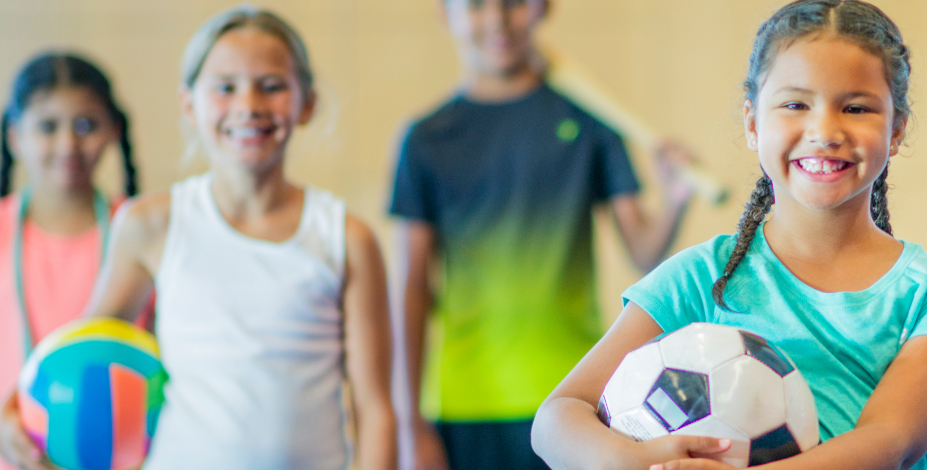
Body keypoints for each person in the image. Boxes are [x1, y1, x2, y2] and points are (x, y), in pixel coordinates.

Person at [527, 1, 927, 469]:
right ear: (752, 123)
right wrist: (633, 460)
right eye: (795, 104)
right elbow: (557, 417)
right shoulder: (701, 276)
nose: (825, 131)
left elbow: (889, 442)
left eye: (855, 107)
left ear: (896, 130)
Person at [1, 5, 398, 470]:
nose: (249, 105)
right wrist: (14, 411)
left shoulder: (346, 238)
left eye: (271, 86)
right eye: (225, 87)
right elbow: (82, 349)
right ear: (190, 104)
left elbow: (374, 409)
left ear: (306, 102)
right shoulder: (152, 224)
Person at [388, 0, 696, 467]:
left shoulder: (591, 120)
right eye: (474, 6)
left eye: (513, 3)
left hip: (576, 399)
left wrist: (674, 199)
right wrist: (410, 425)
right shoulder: (427, 138)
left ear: (542, 8)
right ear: (444, 14)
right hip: (468, 401)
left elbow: (643, 253)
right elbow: (411, 289)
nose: (496, 19)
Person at [0, 52, 142, 470]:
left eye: (87, 125)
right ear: (14, 135)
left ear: (114, 130)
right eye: (47, 126)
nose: (68, 145)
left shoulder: (142, 231)